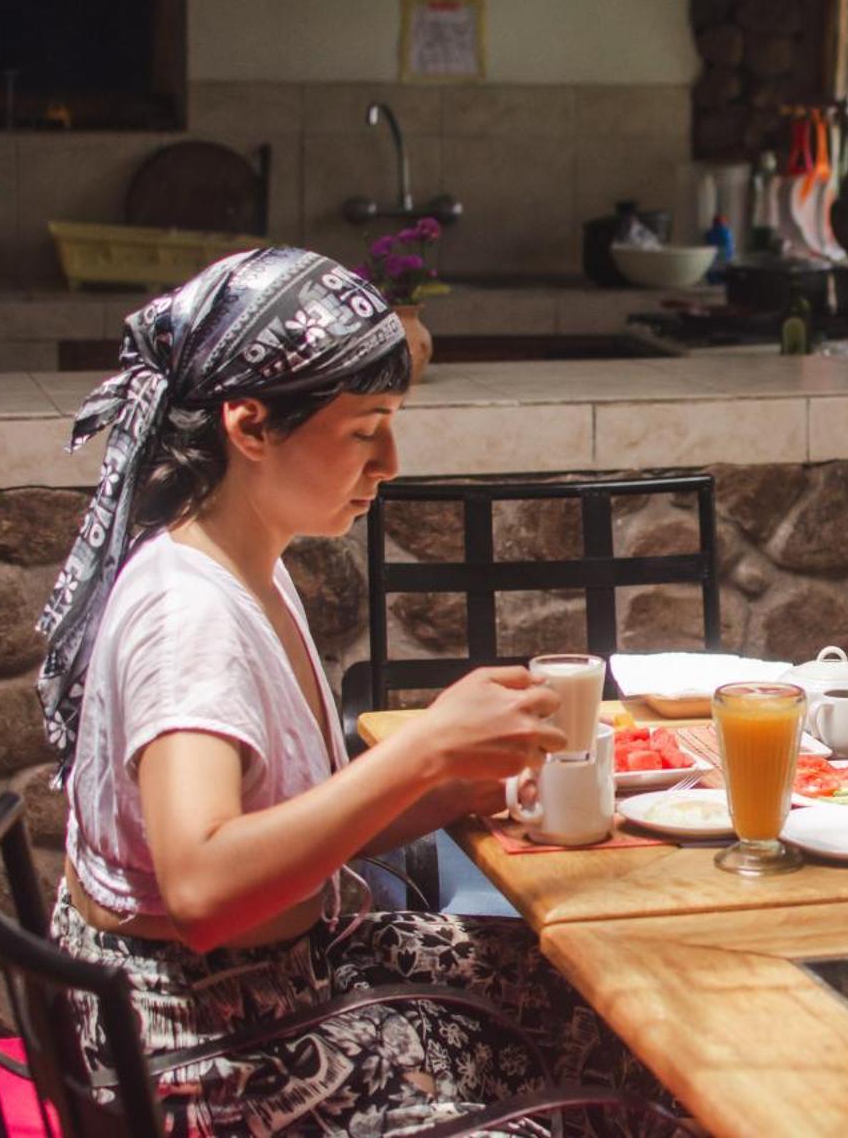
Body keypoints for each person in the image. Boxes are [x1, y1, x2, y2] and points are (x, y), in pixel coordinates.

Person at [35, 248, 658, 1134]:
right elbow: (204, 886)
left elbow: (295, 828)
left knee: (620, 1003)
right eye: (367, 429)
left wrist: (451, 784)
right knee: (617, 1085)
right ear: (248, 425)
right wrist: (420, 748)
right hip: (205, 1054)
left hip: (275, 987)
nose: (391, 461)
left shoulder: (248, 562)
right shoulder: (189, 616)